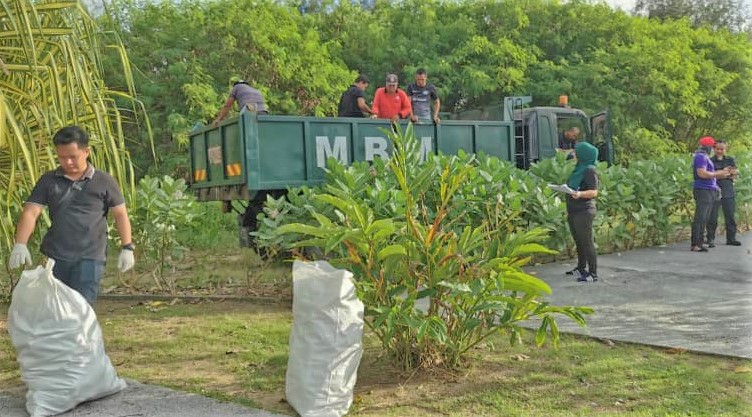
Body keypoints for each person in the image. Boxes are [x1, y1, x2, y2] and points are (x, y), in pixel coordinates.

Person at [8, 126, 136, 305]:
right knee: (56, 308)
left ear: (86, 152)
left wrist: (127, 247)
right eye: (62, 157)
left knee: (81, 308)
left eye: (73, 157)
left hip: (90, 257)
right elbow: (31, 212)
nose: (68, 162)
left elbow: (120, 214)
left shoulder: (104, 181)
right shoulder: (49, 180)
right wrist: (20, 244)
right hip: (56, 257)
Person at [564, 142, 600, 282]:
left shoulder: (589, 170)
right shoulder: (578, 169)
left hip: (584, 211)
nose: (574, 155)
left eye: (577, 152)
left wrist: (579, 194)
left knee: (587, 242)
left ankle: (592, 273)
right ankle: (580, 268)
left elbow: (594, 192)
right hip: (573, 210)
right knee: (578, 241)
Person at [691, 136, 732, 252]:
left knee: (704, 218)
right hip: (703, 190)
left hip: (709, 190)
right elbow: (701, 173)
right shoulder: (700, 157)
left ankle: (699, 242)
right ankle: (696, 243)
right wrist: (718, 174)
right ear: (707, 147)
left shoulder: (704, 157)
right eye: (712, 146)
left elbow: (709, 173)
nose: (713, 149)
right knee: (700, 217)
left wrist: (721, 173)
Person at [706, 140, 741, 247]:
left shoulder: (730, 160)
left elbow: (735, 175)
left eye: (722, 149)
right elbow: (709, 175)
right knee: (712, 217)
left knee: (730, 216)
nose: (720, 151)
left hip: (728, 190)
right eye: (718, 149)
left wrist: (728, 173)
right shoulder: (710, 160)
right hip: (714, 190)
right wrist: (724, 173)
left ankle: (731, 239)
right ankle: (710, 239)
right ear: (714, 149)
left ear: (725, 149)